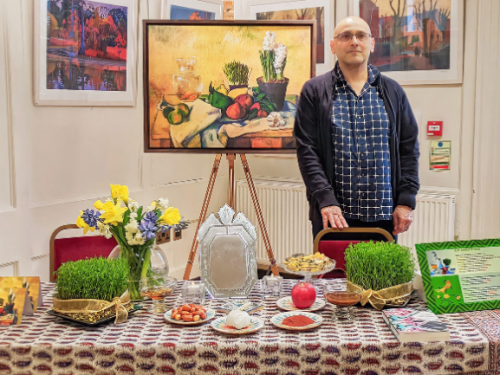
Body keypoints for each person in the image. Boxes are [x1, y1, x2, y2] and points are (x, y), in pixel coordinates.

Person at [294, 16, 420, 239]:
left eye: (361, 35)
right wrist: (325, 200)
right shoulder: (314, 91)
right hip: (333, 216)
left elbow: (408, 149)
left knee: (380, 275)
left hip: (384, 217)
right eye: (346, 36)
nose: (354, 41)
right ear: (333, 45)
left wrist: (405, 201)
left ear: (371, 44)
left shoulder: (393, 92)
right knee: (333, 274)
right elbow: (307, 152)